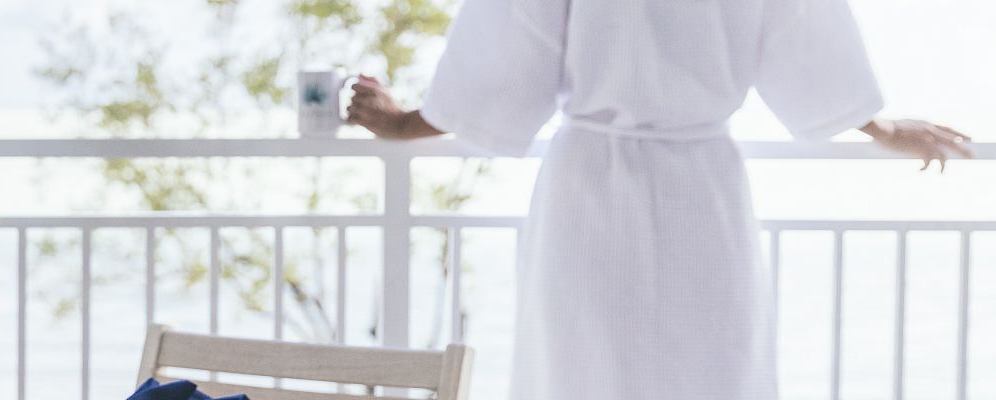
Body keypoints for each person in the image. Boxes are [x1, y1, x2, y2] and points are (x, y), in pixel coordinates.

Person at [344, 0, 974, 399]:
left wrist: (404, 125)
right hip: (703, 189)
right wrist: (881, 129)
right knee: (709, 370)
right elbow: (805, 37)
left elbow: (507, 55)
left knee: (580, 371)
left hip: (588, 189)